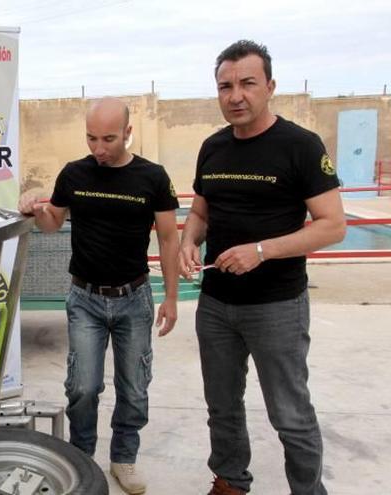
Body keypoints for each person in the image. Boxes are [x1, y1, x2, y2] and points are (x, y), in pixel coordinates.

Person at [179, 40, 346, 495]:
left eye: (247, 83)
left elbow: (333, 227)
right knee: (222, 406)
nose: (236, 95)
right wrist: (189, 241)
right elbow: (199, 213)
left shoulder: (301, 146)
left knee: (290, 415)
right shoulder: (213, 147)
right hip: (215, 305)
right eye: (226, 86)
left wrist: (262, 250)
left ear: (270, 86)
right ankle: (230, 481)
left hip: (276, 307)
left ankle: (308, 491)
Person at [19, 97, 180, 495]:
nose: (99, 148)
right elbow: (53, 221)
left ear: (128, 132)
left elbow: (169, 237)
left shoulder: (153, 177)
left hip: (135, 299)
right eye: (91, 138)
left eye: (109, 138)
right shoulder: (74, 174)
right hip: (85, 298)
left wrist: (172, 297)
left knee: (134, 387)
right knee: (83, 386)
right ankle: (82, 458)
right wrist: (33, 210)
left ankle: (124, 458)